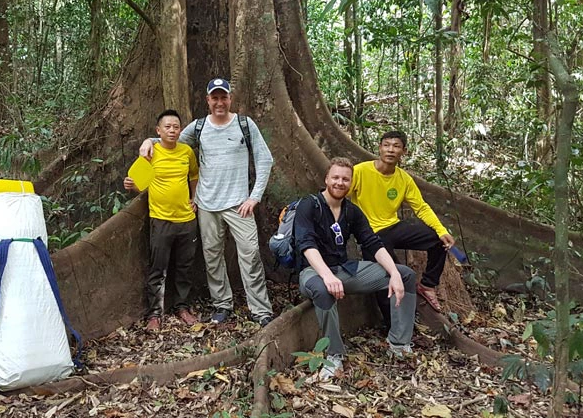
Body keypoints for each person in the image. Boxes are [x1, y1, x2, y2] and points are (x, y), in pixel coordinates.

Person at [139, 78, 274, 326]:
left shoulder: (245, 125)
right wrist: (150, 140)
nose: (220, 102)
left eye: (224, 97)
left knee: (251, 255)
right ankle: (222, 304)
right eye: (215, 97)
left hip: (239, 204)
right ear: (208, 100)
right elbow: (172, 139)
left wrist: (254, 197)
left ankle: (261, 309)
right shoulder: (199, 127)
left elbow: (265, 160)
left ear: (230, 99)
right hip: (207, 205)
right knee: (212, 257)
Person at [294, 157, 417, 381]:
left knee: (406, 275)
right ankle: (334, 355)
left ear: (351, 183)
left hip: (346, 270)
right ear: (327, 179)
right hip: (314, 272)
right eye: (336, 178)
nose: (340, 183)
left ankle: (399, 343)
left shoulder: (352, 211)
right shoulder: (309, 205)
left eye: (345, 179)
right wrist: (327, 275)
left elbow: (372, 243)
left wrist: (395, 273)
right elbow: (306, 244)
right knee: (322, 289)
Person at [350, 130, 456, 316]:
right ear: (380, 148)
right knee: (385, 277)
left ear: (404, 151)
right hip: (370, 233)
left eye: (396, 146)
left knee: (438, 240)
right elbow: (340, 196)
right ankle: (391, 326)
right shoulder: (360, 171)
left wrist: (441, 230)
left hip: (393, 227)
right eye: (386, 145)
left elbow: (421, 207)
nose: (391, 150)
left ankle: (428, 285)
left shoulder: (404, 179)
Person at [125, 110, 200, 331]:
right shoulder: (151, 152)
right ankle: (154, 314)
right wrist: (132, 186)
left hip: (187, 220)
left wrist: (194, 198)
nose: (172, 130)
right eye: (167, 126)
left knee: (185, 267)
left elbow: (194, 175)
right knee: (158, 268)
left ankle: (182, 307)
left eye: (176, 126)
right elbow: (140, 184)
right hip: (161, 219)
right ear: (158, 130)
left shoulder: (187, 152)